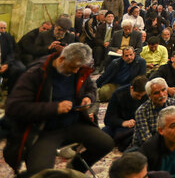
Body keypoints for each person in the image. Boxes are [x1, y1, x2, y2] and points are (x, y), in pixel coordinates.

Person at [4, 43, 114, 175]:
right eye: (73, 67)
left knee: (106, 143)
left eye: (78, 68)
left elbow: (91, 87)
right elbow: (14, 108)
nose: (75, 71)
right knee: (42, 172)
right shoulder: (36, 73)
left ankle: (74, 169)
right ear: (62, 59)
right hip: (45, 129)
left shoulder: (78, 69)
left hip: (73, 123)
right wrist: (55, 108)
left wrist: (88, 98)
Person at [132, 77, 175, 148]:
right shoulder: (142, 111)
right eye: (156, 93)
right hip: (148, 147)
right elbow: (147, 140)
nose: (161, 95)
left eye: (163, 90)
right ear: (149, 96)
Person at [104, 75, 148, 150]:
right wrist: (123, 123)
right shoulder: (118, 94)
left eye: (142, 96)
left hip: (138, 126)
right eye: (137, 95)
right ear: (131, 88)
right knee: (103, 139)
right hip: (119, 125)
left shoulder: (147, 95)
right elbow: (108, 119)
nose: (139, 98)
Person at [0, 20, 25, 92]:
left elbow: (12, 52)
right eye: (1, 28)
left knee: (20, 69)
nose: (3, 30)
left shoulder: (7, 37)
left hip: (6, 61)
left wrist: (6, 64)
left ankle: (11, 93)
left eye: (4, 28)